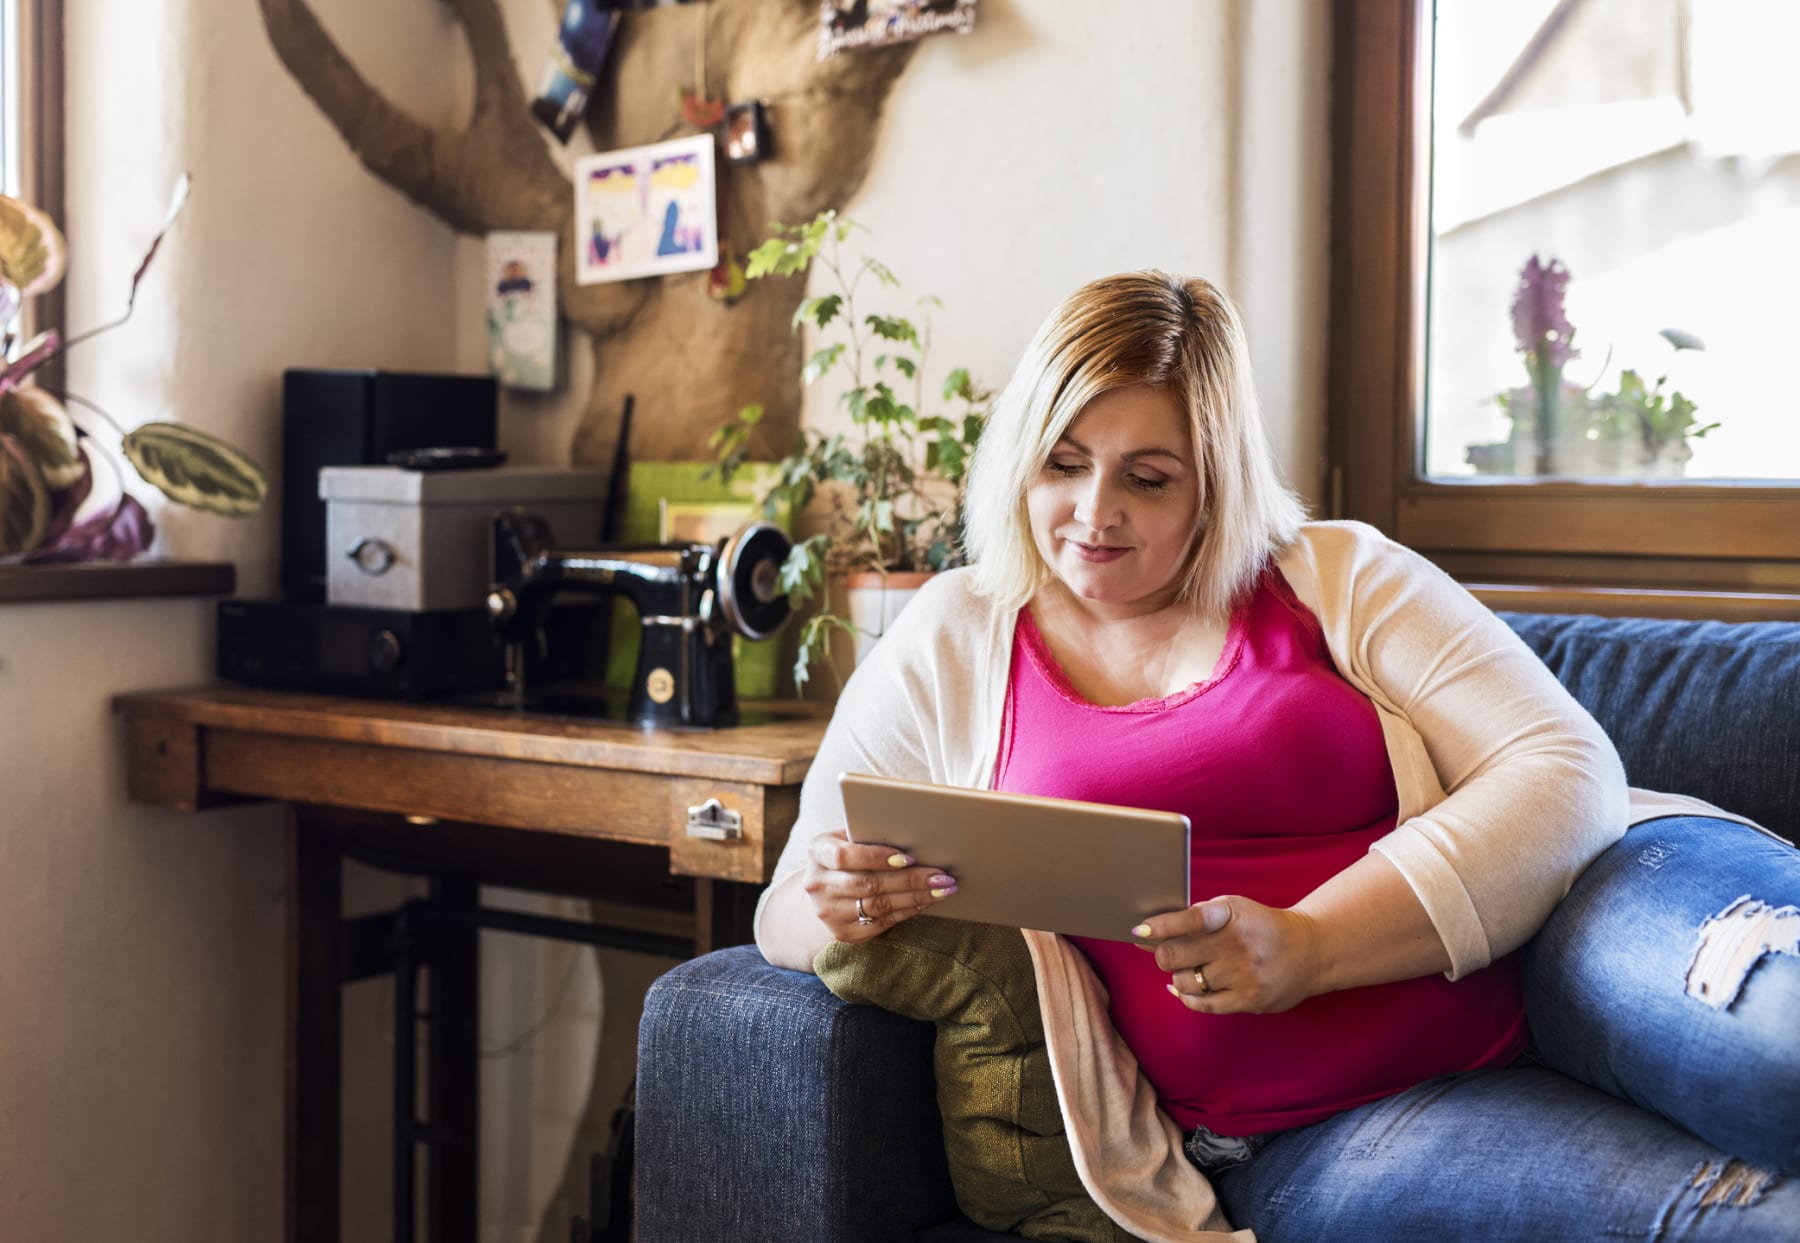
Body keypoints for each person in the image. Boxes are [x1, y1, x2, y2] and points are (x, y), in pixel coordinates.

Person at [754, 271, 1800, 1240]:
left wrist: (1311, 943)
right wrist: (845, 903)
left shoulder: (1334, 573)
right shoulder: (953, 635)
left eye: (1149, 479)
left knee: (1780, 1036)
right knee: (1738, 1220)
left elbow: (1567, 769)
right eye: (1063, 462)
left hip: (1568, 939)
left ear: (1215, 483)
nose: (1095, 512)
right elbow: (785, 904)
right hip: (1313, 1132)